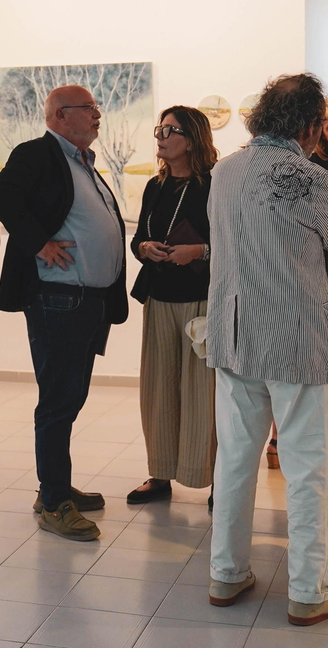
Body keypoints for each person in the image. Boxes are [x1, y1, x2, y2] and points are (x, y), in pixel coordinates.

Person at [206, 73, 328, 627]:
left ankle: (226, 574)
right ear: (313, 125)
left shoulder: (225, 171)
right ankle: (309, 589)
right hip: (297, 337)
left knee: (237, 458)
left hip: (234, 331)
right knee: (309, 465)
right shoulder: (310, 177)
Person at [0, 85, 128, 541]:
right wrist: (38, 243)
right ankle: (53, 502)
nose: (97, 116)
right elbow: (1, 194)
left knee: (70, 396)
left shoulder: (82, 162)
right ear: (61, 115)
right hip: (58, 298)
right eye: (90, 109)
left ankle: (56, 485)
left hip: (89, 299)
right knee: (58, 399)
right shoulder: (37, 153)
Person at [127, 106, 218, 506]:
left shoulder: (215, 187)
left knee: (203, 394)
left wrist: (198, 250)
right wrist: (145, 247)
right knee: (158, 390)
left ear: (193, 138)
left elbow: (235, 245)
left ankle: (212, 478)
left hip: (202, 298)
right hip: (160, 297)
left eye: (170, 130)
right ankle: (160, 473)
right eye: (159, 128)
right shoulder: (155, 187)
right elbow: (138, 240)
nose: (161, 136)